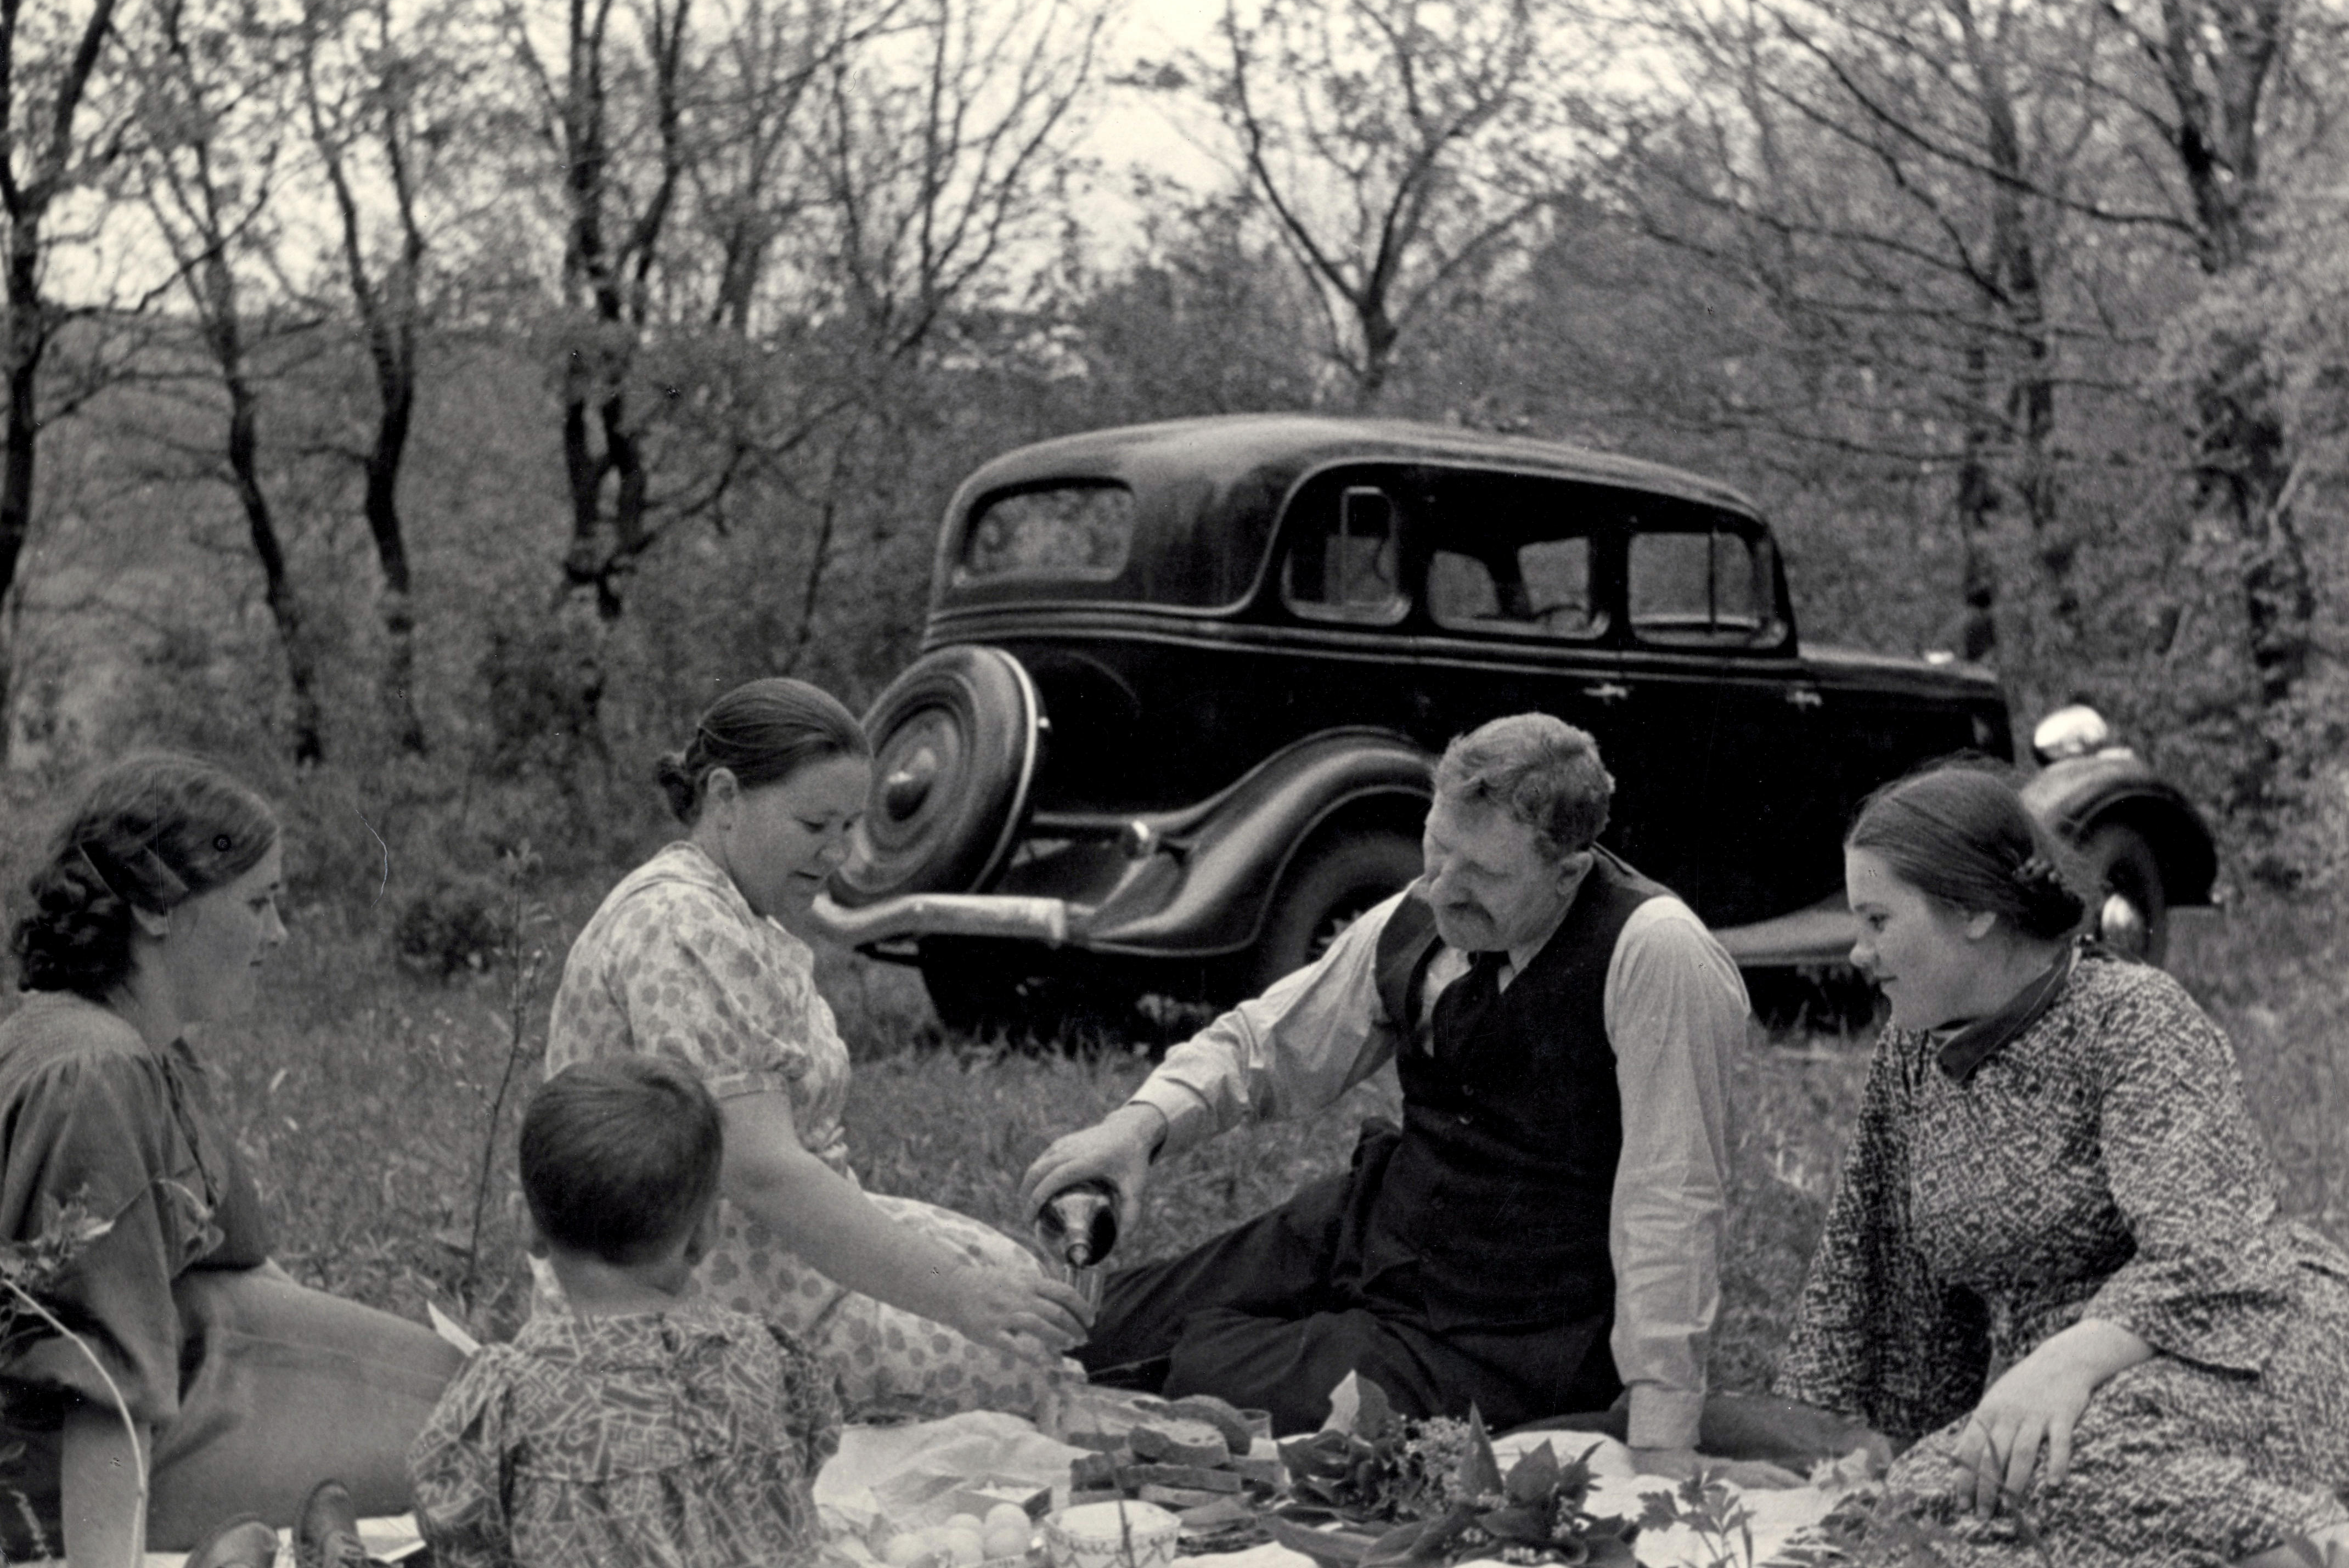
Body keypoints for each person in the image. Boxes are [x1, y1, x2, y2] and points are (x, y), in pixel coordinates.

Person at [1021, 713, 1746, 1467]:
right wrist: (1136, 1129)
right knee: (1093, 1329)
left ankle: (1277, 1357)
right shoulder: (1426, 907)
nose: (1443, 890)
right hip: (1371, 1231)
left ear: (1567, 870)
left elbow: (1674, 1199)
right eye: (1437, 849)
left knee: (1202, 1377)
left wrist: (1660, 1433)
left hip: (1508, 1330)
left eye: (1486, 876)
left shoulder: (1656, 952)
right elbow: (1267, 1046)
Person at [1773, 763, 2349, 1567]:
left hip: (2233, 1343)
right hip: (2059, 1382)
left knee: (2046, 1475)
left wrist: (2060, 1365)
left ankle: (2309, 1544)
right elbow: (1892, 1284)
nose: (1858, 952)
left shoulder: (2134, 1021)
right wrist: (1914, 1447)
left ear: (1972, 911)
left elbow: (2210, 1252)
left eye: (1877, 919)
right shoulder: (1911, 1050)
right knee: (1923, 1513)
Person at [544, 676, 1090, 1421]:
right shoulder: (683, 927)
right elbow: (762, 1174)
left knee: (1015, 1290)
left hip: (753, 1254)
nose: (837, 852)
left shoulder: (730, 912)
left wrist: (967, 1283)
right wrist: (958, 1297)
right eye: (814, 825)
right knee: (1021, 1368)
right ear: (726, 796)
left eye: (850, 827)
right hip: (687, 1285)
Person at [0, 754, 465, 1566]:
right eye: (259, 903)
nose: (279, 935)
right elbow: (100, 1384)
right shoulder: (96, 1071)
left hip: (192, 1375)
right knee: (487, 1446)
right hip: (60, 1458)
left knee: (479, 1405)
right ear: (156, 908)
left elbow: (241, 1257)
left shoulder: (149, 1047)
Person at [411, 1055, 843, 1567]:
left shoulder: (507, 1396)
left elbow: (451, 1525)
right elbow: (811, 1452)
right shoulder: (772, 1362)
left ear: (525, 1225)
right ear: (708, 1229)